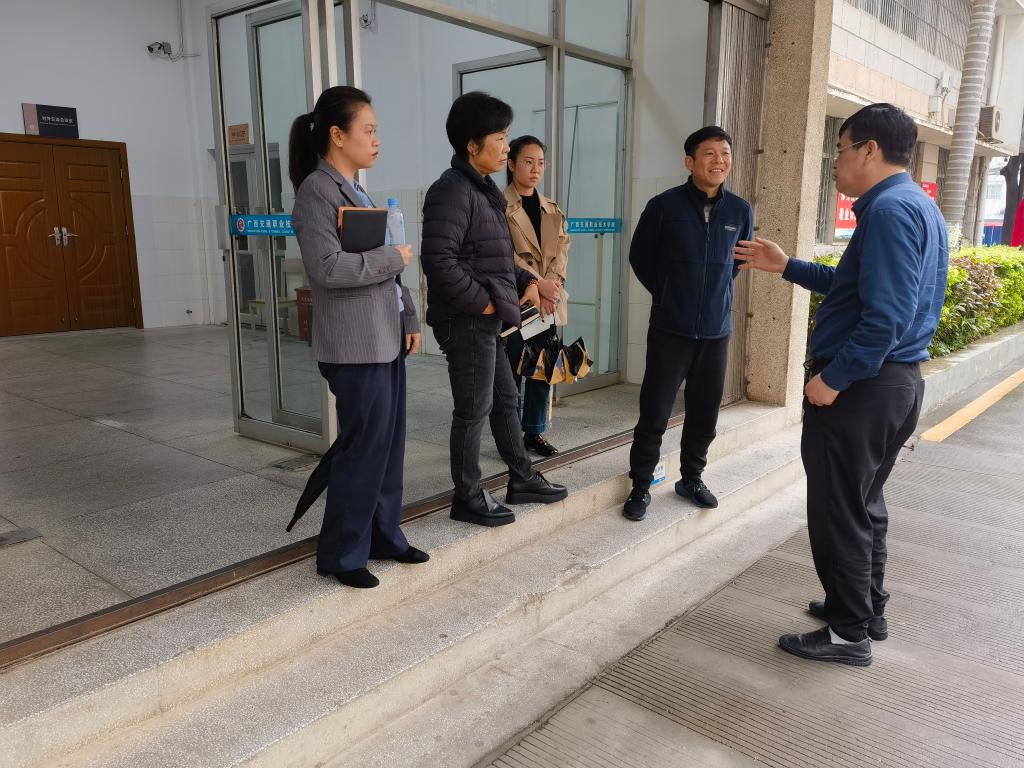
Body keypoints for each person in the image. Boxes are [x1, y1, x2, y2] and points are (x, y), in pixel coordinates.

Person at [735, 103, 949, 665]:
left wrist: (834, 378)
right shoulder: (916, 206)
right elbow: (854, 287)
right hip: (893, 385)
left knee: (839, 510)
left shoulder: (889, 212)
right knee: (863, 502)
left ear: (869, 150)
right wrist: (787, 265)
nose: (835, 162)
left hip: (864, 388)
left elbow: (887, 317)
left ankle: (848, 632)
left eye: (841, 148)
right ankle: (864, 609)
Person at [289, 86, 428, 589]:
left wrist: (409, 316)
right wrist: (393, 258)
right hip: (353, 345)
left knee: (387, 445)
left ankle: (384, 535)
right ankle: (342, 554)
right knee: (363, 448)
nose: (375, 139)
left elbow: (388, 271)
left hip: (383, 334)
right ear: (337, 134)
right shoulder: (317, 191)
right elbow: (327, 269)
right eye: (367, 130)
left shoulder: (357, 191)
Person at [421, 92, 568, 528]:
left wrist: (529, 282)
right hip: (467, 320)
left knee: (505, 400)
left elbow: (497, 258)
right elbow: (439, 262)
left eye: (506, 137)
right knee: (473, 409)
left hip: (487, 321)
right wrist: (485, 302)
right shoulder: (451, 190)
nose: (506, 147)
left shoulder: (481, 189)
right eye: (500, 138)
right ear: (473, 144)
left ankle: (521, 478)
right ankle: (467, 497)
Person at [622, 126, 753, 523]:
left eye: (725, 153)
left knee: (704, 412)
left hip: (716, 332)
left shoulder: (740, 211)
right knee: (655, 412)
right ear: (689, 161)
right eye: (709, 153)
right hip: (670, 329)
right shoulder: (664, 206)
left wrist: (713, 296)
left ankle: (691, 478)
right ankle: (641, 484)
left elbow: (738, 263)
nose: (719, 160)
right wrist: (669, 294)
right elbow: (640, 257)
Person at [503, 135, 571, 457]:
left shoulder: (551, 208)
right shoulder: (499, 207)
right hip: (517, 299)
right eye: (528, 162)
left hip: (547, 301)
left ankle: (535, 432)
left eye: (540, 163)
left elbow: (562, 251)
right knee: (512, 370)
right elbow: (503, 255)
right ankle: (509, 435)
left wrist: (551, 286)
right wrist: (538, 283)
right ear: (511, 164)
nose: (535, 169)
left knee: (543, 366)